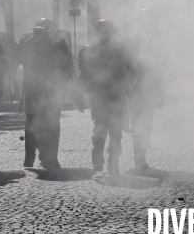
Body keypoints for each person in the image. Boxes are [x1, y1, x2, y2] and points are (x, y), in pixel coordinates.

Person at [18, 18, 75, 171]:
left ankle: (30, 158)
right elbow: (68, 66)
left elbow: (20, 60)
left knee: (32, 122)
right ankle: (49, 158)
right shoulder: (58, 43)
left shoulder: (27, 42)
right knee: (51, 124)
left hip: (33, 89)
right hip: (52, 89)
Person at [79, 20, 134, 176]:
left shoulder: (88, 51)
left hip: (104, 95)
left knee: (103, 128)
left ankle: (104, 158)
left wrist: (79, 96)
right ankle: (111, 164)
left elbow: (83, 76)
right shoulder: (120, 50)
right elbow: (129, 72)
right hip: (111, 95)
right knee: (113, 131)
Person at [126, 9, 167, 174]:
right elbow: (127, 64)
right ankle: (139, 159)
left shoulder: (155, 41)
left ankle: (140, 157)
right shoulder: (133, 39)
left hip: (147, 88)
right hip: (137, 88)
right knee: (139, 124)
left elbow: (160, 68)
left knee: (145, 124)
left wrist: (160, 91)